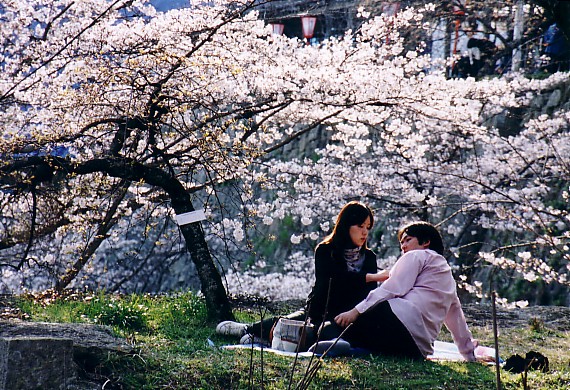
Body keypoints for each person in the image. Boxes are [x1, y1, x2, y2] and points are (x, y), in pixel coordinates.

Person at [215, 201, 388, 349]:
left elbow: (368, 296)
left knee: (321, 334)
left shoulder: (369, 257)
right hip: (319, 311)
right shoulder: (326, 251)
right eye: (360, 226)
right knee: (288, 323)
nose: (365, 232)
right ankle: (248, 329)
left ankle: (261, 340)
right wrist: (370, 277)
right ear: (346, 225)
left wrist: (354, 311)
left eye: (368, 227)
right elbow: (331, 282)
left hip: (346, 316)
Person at [334, 221, 476, 361]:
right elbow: (457, 319)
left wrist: (355, 311)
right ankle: (345, 342)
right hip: (417, 348)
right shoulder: (449, 279)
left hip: (400, 323)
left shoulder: (417, 255)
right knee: (356, 331)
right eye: (401, 243)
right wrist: (469, 354)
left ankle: (331, 338)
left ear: (425, 242)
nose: (403, 246)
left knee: (344, 323)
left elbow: (393, 288)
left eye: (408, 240)